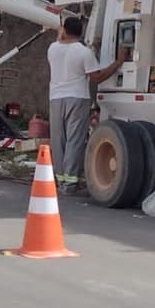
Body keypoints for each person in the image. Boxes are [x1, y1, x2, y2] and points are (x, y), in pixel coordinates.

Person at [47, 16, 127, 195]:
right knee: (74, 140)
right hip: (77, 98)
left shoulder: (52, 49)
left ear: (64, 30)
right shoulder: (84, 53)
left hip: (55, 98)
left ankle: (59, 179)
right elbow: (97, 77)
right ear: (81, 32)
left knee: (58, 140)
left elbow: (60, 39)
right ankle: (70, 183)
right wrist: (119, 62)